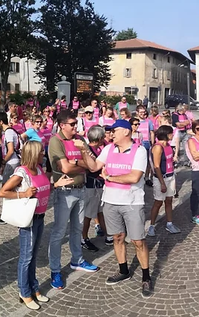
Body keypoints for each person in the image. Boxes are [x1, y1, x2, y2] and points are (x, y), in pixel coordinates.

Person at [78, 119, 153, 298]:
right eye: (110, 131)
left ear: (126, 132)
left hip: (132, 202)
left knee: (138, 241)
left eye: (115, 130)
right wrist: (83, 149)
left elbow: (134, 177)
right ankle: (123, 270)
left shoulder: (139, 150)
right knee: (117, 237)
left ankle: (146, 276)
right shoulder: (108, 148)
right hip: (110, 201)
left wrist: (110, 178)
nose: (111, 134)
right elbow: (94, 166)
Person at [0, 141, 67, 310]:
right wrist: (23, 193)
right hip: (28, 219)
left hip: (40, 217)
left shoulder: (39, 169)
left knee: (34, 256)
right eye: (40, 153)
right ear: (32, 154)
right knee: (26, 257)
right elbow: (2, 192)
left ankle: (34, 287)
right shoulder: (22, 172)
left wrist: (55, 185)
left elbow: (43, 189)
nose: (43, 155)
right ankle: (24, 291)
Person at [47, 110, 100, 290]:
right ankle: (55, 270)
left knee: (77, 229)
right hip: (64, 191)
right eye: (72, 124)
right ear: (62, 125)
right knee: (59, 232)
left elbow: (93, 165)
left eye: (76, 123)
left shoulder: (80, 139)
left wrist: (79, 160)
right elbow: (65, 168)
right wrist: (80, 163)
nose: (75, 127)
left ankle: (77, 260)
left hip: (81, 189)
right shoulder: (56, 141)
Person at [80, 126, 113, 251]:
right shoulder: (88, 150)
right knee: (89, 213)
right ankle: (84, 238)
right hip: (91, 184)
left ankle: (108, 234)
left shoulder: (100, 148)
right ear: (99, 138)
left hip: (99, 183)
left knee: (100, 210)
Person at [148, 125, 182, 236]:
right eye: (171, 133)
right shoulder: (158, 147)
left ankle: (169, 223)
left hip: (170, 176)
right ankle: (152, 226)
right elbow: (157, 166)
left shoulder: (168, 145)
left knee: (169, 201)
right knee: (158, 202)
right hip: (161, 178)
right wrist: (162, 183)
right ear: (166, 134)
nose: (173, 135)